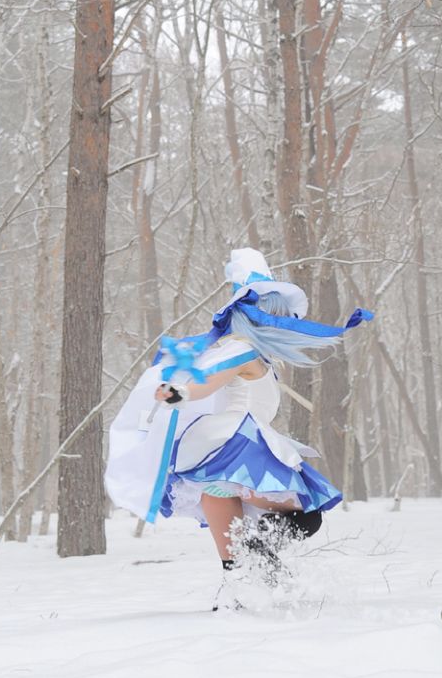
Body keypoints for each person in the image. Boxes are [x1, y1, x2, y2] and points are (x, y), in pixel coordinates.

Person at [105, 248, 372, 587]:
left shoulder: (249, 351)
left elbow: (209, 378)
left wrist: (183, 393)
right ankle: (254, 562)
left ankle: (244, 580)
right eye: (279, 316)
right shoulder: (241, 348)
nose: (284, 323)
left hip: (228, 447)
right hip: (238, 444)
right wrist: (181, 393)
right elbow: (209, 379)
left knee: (235, 519)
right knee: (307, 514)